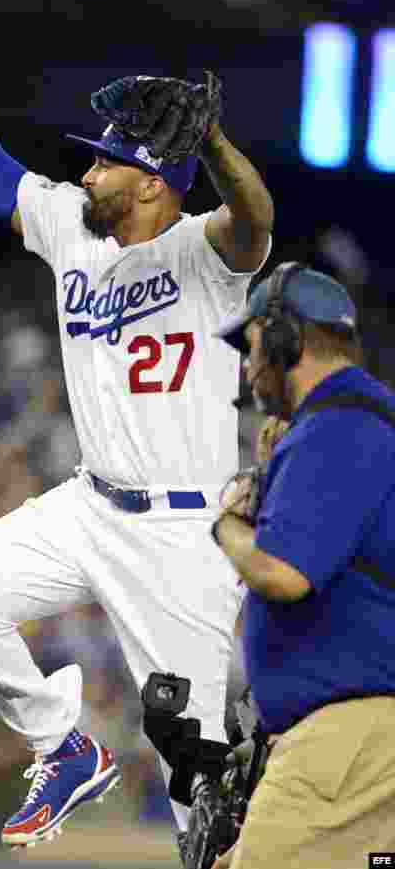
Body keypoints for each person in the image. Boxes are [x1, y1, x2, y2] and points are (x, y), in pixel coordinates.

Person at [0, 0, 275, 850]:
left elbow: (254, 219)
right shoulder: (73, 229)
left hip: (183, 538)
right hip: (89, 502)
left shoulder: (201, 250)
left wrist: (212, 141)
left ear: (151, 182)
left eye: (105, 161)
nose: (87, 171)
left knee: (202, 794)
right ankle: (60, 742)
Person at [209, 264, 395, 868]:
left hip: (346, 742)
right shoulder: (353, 425)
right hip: (358, 743)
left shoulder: (341, 426)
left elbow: (281, 573)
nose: (246, 363)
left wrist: (228, 525)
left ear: (285, 338)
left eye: (251, 342)